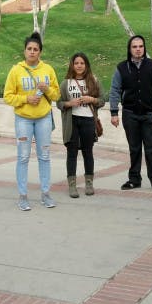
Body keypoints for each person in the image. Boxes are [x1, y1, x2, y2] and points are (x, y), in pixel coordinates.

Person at [3, 32, 61, 211]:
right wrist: (25, 99)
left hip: (43, 118)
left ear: (40, 52)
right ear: (24, 51)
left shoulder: (48, 70)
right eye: (29, 49)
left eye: (36, 49)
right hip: (23, 120)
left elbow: (57, 95)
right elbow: (8, 96)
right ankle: (23, 196)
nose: (32, 52)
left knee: (44, 156)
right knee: (23, 157)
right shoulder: (16, 70)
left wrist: (47, 89)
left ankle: (45, 194)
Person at [109, 35, 152, 192]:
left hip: (150, 115)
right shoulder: (122, 67)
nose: (138, 49)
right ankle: (134, 179)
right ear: (130, 49)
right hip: (130, 114)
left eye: (140, 46)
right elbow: (115, 90)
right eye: (134, 47)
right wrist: (114, 112)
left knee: (151, 149)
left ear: (144, 48)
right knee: (134, 149)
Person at [57, 52, 105, 198]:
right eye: (76, 63)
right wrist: (69, 103)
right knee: (71, 153)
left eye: (82, 63)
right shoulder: (66, 83)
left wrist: (92, 99)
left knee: (87, 152)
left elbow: (102, 100)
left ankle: (89, 183)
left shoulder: (94, 81)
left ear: (86, 65)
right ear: (72, 65)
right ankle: (72, 185)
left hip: (88, 120)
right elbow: (59, 103)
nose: (79, 66)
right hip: (72, 121)